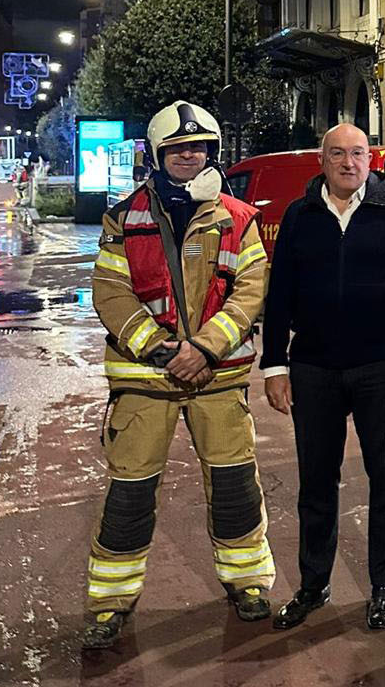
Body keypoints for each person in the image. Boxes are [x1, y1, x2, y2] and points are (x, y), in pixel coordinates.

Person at [82, 101, 272, 649]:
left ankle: (249, 583)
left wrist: (206, 350)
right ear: (158, 154)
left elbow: (252, 290)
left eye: (200, 148)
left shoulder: (239, 218)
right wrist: (163, 350)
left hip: (218, 378)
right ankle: (110, 604)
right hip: (145, 380)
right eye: (179, 148)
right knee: (130, 494)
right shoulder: (125, 216)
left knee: (236, 488)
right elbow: (110, 292)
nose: (191, 156)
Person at [262, 124, 385, 633]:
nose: (348, 162)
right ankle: (313, 585)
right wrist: (275, 364)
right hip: (314, 367)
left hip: (380, 367)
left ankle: (384, 586)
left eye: (357, 153)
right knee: (315, 484)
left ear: (369, 159)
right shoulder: (300, 216)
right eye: (337, 154)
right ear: (322, 161)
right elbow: (280, 298)